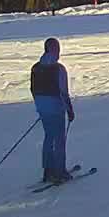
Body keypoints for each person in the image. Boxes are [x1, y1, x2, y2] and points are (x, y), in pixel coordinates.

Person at [30, 37, 76, 184]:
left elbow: (33, 88)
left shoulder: (36, 67)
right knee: (59, 139)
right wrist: (70, 110)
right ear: (53, 50)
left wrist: (40, 105)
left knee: (49, 137)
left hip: (42, 107)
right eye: (57, 49)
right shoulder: (59, 69)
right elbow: (63, 92)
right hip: (56, 108)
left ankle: (48, 170)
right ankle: (59, 171)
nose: (59, 53)